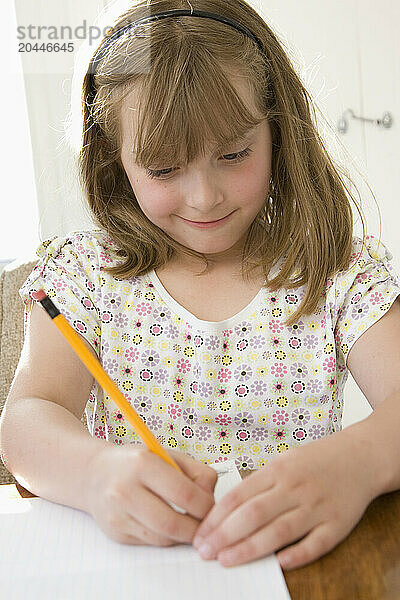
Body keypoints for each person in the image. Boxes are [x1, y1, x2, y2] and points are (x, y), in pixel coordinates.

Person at [1, 0, 400, 573]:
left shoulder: (338, 269)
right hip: (131, 572)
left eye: (234, 154)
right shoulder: (82, 278)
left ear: (279, 134)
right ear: (115, 162)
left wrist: (360, 461)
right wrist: (93, 474)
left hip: (297, 572)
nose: (204, 196)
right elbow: (27, 417)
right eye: (163, 169)